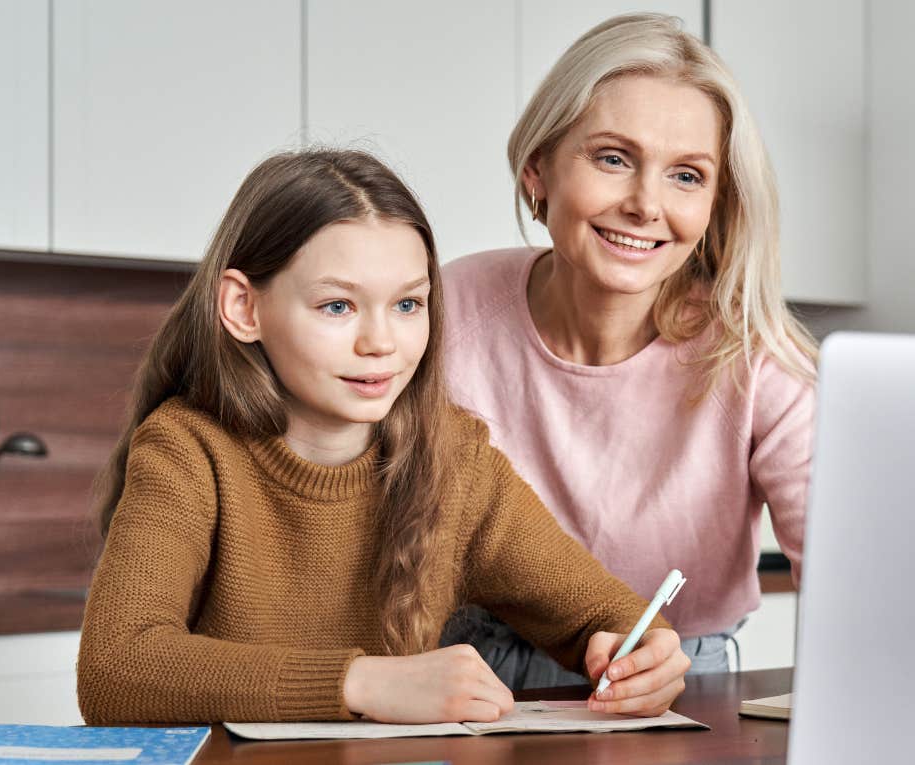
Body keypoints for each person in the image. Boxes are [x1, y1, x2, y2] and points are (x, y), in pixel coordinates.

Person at [76, 148, 690, 724]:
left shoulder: (455, 459)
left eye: (407, 305)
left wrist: (649, 652)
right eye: (337, 306)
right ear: (244, 307)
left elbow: (600, 613)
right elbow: (116, 667)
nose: (381, 343)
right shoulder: (188, 450)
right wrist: (364, 683)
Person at [440, 13, 817, 689]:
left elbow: (840, 570)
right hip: (472, 675)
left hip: (692, 683)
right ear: (537, 170)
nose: (646, 204)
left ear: (713, 204)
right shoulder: (447, 311)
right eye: (613, 158)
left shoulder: (756, 358)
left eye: (687, 176)